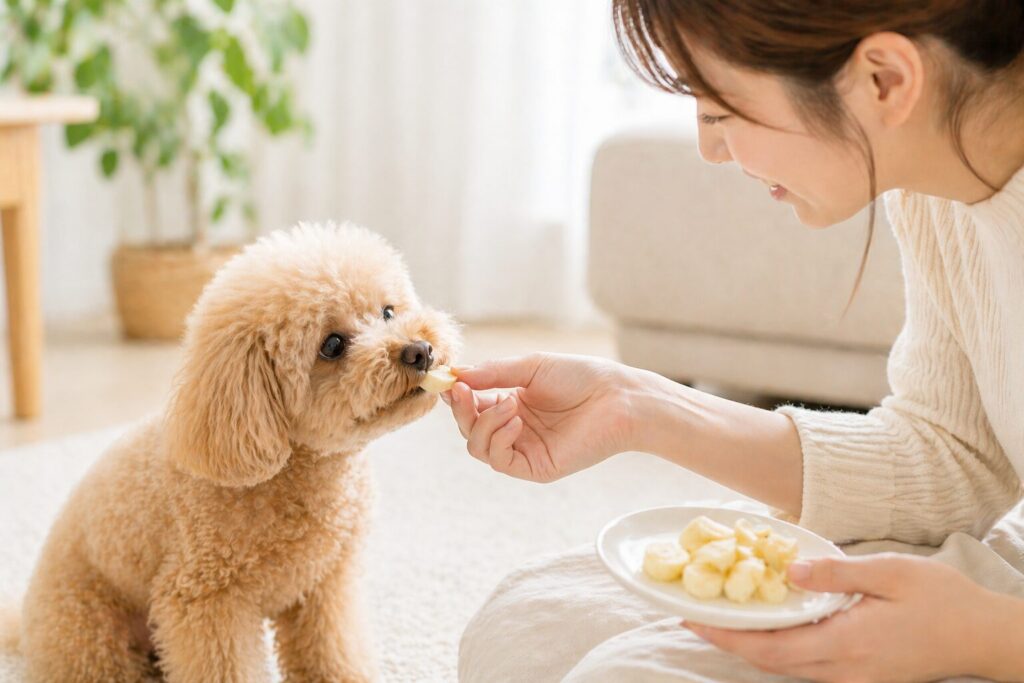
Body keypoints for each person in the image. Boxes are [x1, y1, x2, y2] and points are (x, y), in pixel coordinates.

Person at [443, 2, 1024, 682]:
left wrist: (986, 637)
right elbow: (956, 457)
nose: (709, 148)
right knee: (530, 626)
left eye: (720, 111)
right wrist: (638, 406)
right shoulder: (938, 187)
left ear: (885, 81)